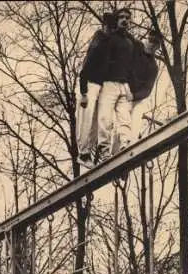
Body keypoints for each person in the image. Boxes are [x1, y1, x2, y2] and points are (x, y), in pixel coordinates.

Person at [76, 13, 116, 168]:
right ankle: (83, 154)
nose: (110, 31)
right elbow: (85, 67)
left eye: (112, 29)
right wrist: (84, 92)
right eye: (108, 27)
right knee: (86, 120)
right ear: (104, 26)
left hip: (98, 85)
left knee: (93, 122)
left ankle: (87, 153)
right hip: (89, 84)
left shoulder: (107, 43)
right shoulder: (98, 41)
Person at [96, 7, 135, 162]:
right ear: (116, 20)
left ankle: (126, 145)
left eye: (127, 17)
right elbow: (100, 60)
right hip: (109, 83)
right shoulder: (109, 38)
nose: (125, 20)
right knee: (105, 117)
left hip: (124, 84)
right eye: (121, 17)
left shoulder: (130, 42)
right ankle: (104, 152)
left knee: (125, 118)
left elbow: (131, 66)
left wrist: (130, 86)